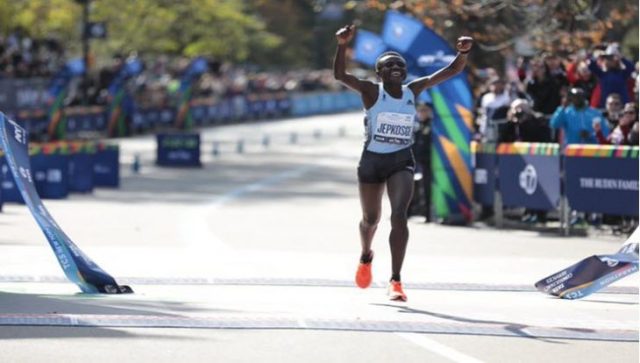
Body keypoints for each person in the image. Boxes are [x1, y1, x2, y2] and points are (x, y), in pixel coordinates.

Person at [333, 24, 473, 301]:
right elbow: (339, 74)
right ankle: (365, 255)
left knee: (399, 215)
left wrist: (462, 52)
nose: (396, 67)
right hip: (372, 161)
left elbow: (451, 71)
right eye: (389, 64)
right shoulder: (371, 92)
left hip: (401, 161)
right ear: (379, 73)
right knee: (370, 219)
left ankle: (395, 280)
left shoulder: (413, 90)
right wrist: (341, 45)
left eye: (400, 64)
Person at [409, 102, 434, 223]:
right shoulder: (418, 126)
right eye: (420, 111)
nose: (422, 113)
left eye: (424, 110)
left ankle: (428, 215)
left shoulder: (432, 125)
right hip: (417, 162)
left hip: (429, 163)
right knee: (411, 188)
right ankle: (410, 212)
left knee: (427, 188)